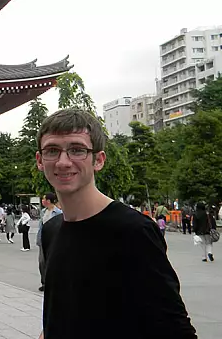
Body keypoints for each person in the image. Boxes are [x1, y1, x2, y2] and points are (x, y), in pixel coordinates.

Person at [36, 108, 196, 339]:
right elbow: (59, 314)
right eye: (52, 150)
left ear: (98, 160)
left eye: (77, 150)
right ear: (40, 160)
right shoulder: (52, 230)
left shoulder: (133, 231)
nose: (63, 162)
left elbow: (173, 326)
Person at [37, 193, 62, 291]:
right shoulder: (43, 212)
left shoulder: (58, 213)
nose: (42, 201)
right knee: (41, 262)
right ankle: (44, 282)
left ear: (48, 201)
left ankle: (54, 282)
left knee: (52, 262)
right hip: (43, 240)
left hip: (54, 240)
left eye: (43, 199)